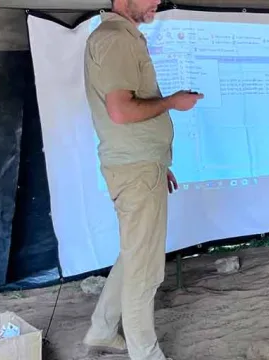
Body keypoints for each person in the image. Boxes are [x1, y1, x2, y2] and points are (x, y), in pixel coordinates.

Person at [81, 1, 202, 359]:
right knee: (144, 271)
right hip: (136, 169)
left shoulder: (118, 36)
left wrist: (156, 160)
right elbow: (121, 110)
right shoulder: (115, 38)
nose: (157, 3)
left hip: (141, 165)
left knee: (134, 255)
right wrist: (172, 103)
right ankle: (145, 353)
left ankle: (102, 329)